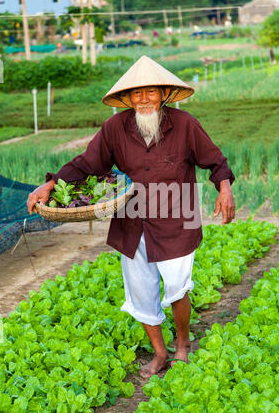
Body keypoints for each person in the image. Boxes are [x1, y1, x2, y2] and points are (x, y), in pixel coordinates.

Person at [27, 55, 235, 378]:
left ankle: (182, 344)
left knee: (178, 287)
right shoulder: (115, 128)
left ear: (163, 93)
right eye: (137, 94)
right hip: (132, 221)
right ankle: (160, 352)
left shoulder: (185, 125)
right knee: (140, 291)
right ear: (128, 98)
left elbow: (216, 160)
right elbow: (87, 164)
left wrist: (225, 187)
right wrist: (51, 183)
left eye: (150, 92)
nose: (143, 100)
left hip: (177, 219)